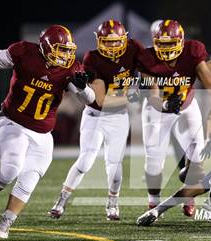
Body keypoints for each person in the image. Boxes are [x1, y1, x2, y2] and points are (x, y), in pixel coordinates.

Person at [0, 25, 95, 239]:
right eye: (60, 49)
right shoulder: (25, 52)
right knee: (9, 170)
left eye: (68, 50)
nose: (65, 55)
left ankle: (4, 224)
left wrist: (84, 87)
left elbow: (89, 99)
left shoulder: (70, 69)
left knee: (29, 179)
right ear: (45, 47)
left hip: (42, 135)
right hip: (13, 123)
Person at [49, 20, 145, 221]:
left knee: (115, 166)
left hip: (119, 117)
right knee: (85, 161)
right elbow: (100, 101)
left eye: (115, 42)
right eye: (106, 42)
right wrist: (131, 96)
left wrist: (147, 83)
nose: (111, 46)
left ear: (124, 40)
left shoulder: (134, 48)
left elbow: (149, 68)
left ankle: (112, 202)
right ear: (99, 41)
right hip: (95, 115)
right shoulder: (92, 58)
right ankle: (62, 199)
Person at [136, 20, 211, 217]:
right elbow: (153, 95)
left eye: (170, 44)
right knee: (154, 161)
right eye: (161, 44)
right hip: (157, 111)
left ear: (180, 41)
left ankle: (188, 196)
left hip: (187, 107)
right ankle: (153, 201)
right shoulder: (146, 58)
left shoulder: (192, 51)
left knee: (197, 156)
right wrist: (165, 105)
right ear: (154, 42)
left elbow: (209, 82)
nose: (166, 49)